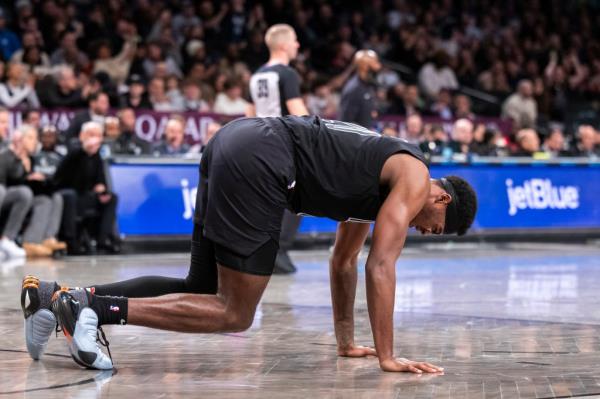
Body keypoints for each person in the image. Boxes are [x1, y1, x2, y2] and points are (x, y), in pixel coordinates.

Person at [22, 115, 477, 374]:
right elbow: (382, 266)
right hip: (265, 159)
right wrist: (388, 356)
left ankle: (55, 297)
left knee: (201, 286)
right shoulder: (415, 179)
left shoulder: (381, 177)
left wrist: (346, 342)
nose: (422, 230)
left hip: (234, 140)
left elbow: (344, 262)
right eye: (433, 226)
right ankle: (90, 308)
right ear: (441, 198)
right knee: (236, 312)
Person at [246, 24, 310, 274]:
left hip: (261, 144)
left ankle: (264, 249)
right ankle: (279, 249)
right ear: (283, 45)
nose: (297, 45)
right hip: (286, 145)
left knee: (269, 200)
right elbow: (298, 112)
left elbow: (249, 115)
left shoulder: (256, 75)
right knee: (300, 198)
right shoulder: (287, 74)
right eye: (295, 41)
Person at [53, 121, 120, 255]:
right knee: (71, 195)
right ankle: (70, 242)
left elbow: (100, 179)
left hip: (87, 196)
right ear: (82, 135)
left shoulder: (97, 156)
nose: (94, 139)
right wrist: (84, 149)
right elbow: (62, 177)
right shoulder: (73, 150)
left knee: (111, 198)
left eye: (98, 136)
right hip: (69, 194)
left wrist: (103, 189)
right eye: (91, 135)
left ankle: (103, 240)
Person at [339, 49, 381, 129]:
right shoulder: (354, 89)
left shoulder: (368, 85)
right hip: (357, 139)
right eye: (374, 65)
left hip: (367, 135)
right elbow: (345, 123)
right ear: (364, 67)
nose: (378, 68)